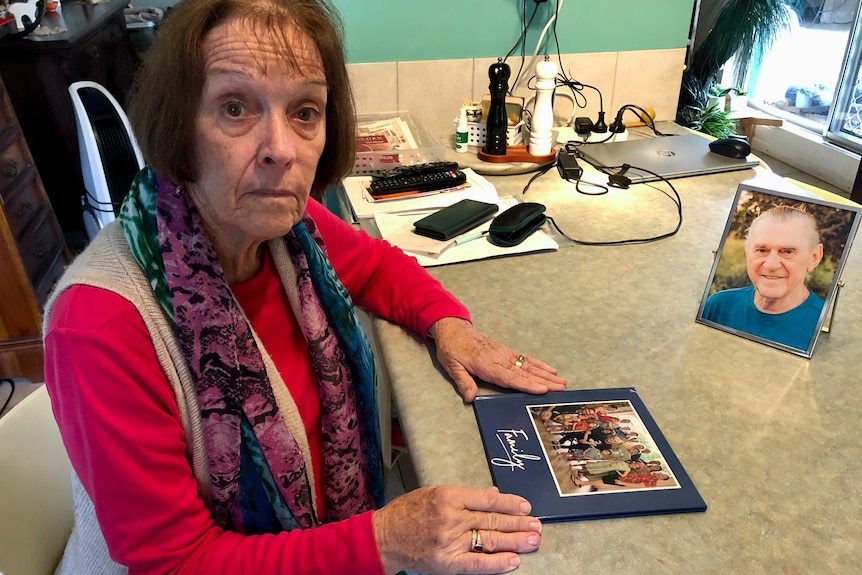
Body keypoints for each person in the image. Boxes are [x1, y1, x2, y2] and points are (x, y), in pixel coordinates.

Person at [41, 1, 568, 574]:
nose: (283, 149)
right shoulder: (97, 325)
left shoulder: (291, 233)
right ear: (178, 124)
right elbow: (175, 563)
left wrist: (450, 327)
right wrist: (383, 540)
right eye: (235, 108)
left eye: (305, 111)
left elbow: (379, 268)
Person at [701, 204, 825, 350]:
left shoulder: (822, 324)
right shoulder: (718, 306)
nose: (771, 264)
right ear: (747, 253)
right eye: (761, 250)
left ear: (814, 257)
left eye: (788, 252)